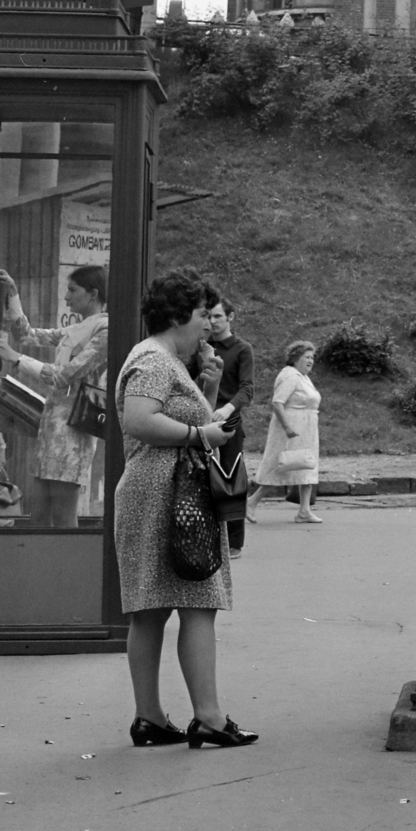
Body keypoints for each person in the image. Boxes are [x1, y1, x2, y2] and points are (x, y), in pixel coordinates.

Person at [115, 267, 256, 749]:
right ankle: (210, 718)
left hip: (159, 494)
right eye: (201, 315)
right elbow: (139, 419)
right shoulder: (156, 360)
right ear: (178, 316)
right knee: (199, 603)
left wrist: (210, 392)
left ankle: (150, 719)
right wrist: (201, 434)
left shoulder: (163, 358)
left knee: (150, 609)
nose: (209, 326)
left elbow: (178, 416)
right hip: (170, 498)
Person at [0, 264, 110, 529]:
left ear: (93, 294)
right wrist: (14, 295)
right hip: (53, 424)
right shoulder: (79, 328)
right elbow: (26, 335)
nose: (66, 297)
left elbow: (65, 375)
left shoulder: (104, 331)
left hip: (74, 429)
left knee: (63, 511)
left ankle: (67, 569)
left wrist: (16, 358)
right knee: (40, 509)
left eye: (72, 290)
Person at [248, 343, 324, 524]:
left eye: (312, 357)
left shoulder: (304, 377)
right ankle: (251, 502)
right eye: (307, 357)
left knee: (307, 465)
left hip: (307, 428)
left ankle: (304, 511)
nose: (310, 361)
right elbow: (277, 403)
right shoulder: (289, 375)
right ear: (295, 358)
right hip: (291, 429)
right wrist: (288, 428)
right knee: (280, 466)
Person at [205, 296, 254, 557]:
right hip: (203, 419)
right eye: (209, 316)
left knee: (231, 478)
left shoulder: (241, 349)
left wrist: (227, 408)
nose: (213, 322)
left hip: (229, 420)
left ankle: (234, 543)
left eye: (218, 317)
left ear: (230, 317)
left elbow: (247, 388)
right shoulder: (201, 348)